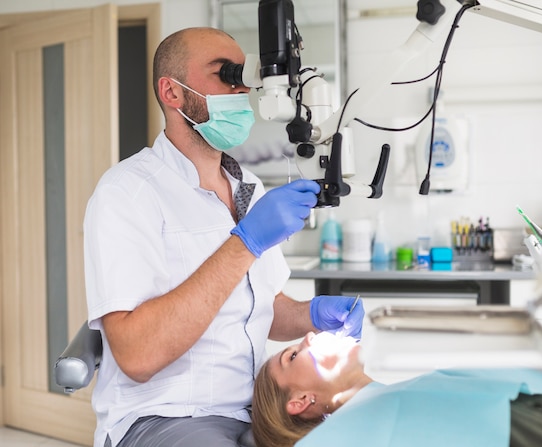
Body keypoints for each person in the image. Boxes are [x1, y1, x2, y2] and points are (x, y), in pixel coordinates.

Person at [83, 27, 365, 447]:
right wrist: (244, 242)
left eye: (243, 77)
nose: (241, 89)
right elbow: (137, 356)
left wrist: (312, 313)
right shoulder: (127, 191)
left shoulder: (249, 187)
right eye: (225, 74)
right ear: (172, 93)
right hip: (163, 415)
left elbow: (262, 305)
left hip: (249, 410)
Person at [252, 331, 542, 447]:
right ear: (301, 401)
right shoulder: (343, 438)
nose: (310, 334)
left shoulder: (382, 398)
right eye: (293, 355)